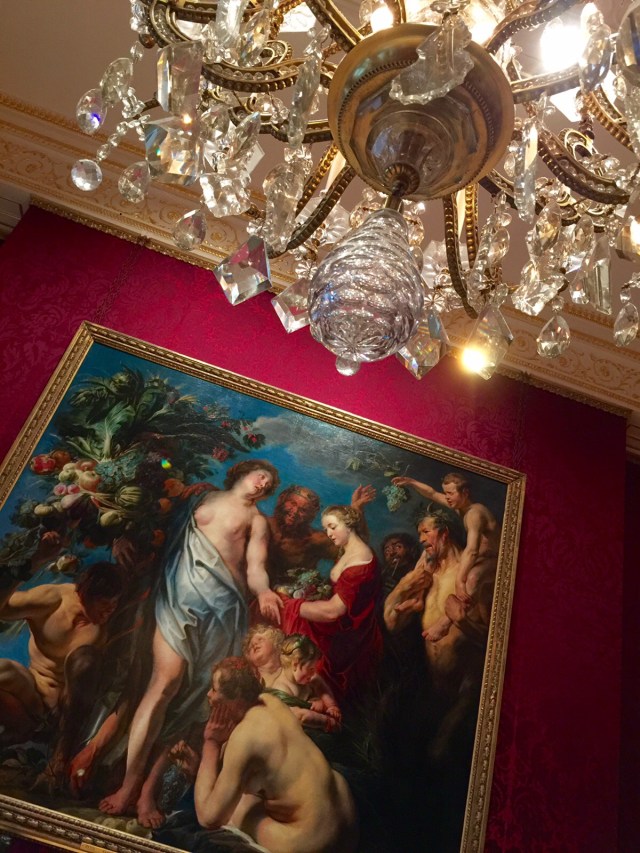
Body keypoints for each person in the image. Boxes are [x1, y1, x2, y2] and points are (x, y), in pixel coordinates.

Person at [97, 460, 282, 827]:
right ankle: (127, 785)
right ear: (243, 472)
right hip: (177, 598)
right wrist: (123, 538)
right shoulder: (200, 497)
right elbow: (155, 531)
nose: (263, 483)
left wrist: (263, 591)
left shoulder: (257, 520)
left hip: (222, 612)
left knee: (195, 702)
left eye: (269, 483)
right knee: (164, 684)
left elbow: (255, 566)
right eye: (261, 475)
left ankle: (148, 792)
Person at [194, 657, 358, 853]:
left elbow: (208, 818)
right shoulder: (271, 701)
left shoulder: (244, 737)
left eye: (214, 689)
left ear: (235, 696)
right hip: (347, 821)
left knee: (241, 809)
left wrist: (211, 743)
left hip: (316, 841)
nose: (209, 694)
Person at [0, 561, 123, 772]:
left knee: (85, 659)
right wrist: (32, 563)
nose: (109, 611)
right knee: (4, 669)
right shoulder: (53, 600)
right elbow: (3, 608)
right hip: (30, 695)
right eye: (104, 603)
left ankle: (58, 751)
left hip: (62, 715)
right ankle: (22, 729)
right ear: (85, 593)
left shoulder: (109, 628)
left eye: (114, 604)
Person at [280, 505, 382, 704]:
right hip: (340, 625)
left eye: (332, 527)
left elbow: (333, 612)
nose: (328, 533)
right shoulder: (350, 548)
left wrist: (290, 605)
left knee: (291, 629)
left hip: (347, 634)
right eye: (326, 528)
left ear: (349, 526)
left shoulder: (360, 562)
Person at [391, 471, 500, 640]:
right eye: (446, 493)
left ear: (465, 493)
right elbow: (432, 493)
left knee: (472, 578)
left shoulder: (474, 513)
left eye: (450, 493)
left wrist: (459, 581)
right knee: (428, 557)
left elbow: (472, 550)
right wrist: (411, 481)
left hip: (494, 560)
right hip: (479, 558)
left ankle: (444, 623)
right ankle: (418, 599)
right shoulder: (460, 507)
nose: (447, 497)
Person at [267, 484, 376, 587]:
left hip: (294, 594)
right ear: (282, 500)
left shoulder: (315, 540)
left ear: (311, 515)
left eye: (303, 510)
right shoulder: (264, 524)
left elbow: (357, 549)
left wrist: (356, 509)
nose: (295, 512)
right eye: (293, 503)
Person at [268, 633, 342, 732]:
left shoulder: (307, 678)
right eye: (310, 668)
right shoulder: (282, 689)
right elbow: (301, 716)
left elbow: (321, 686)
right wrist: (327, 722)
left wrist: (331, 706)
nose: (313, 673)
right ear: (295, 665)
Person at [242, 623, 284, 688]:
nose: (254, 644)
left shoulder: (290, 672)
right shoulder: (249, 682)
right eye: (250, 646)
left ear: (275, 643)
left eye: (260, 639)